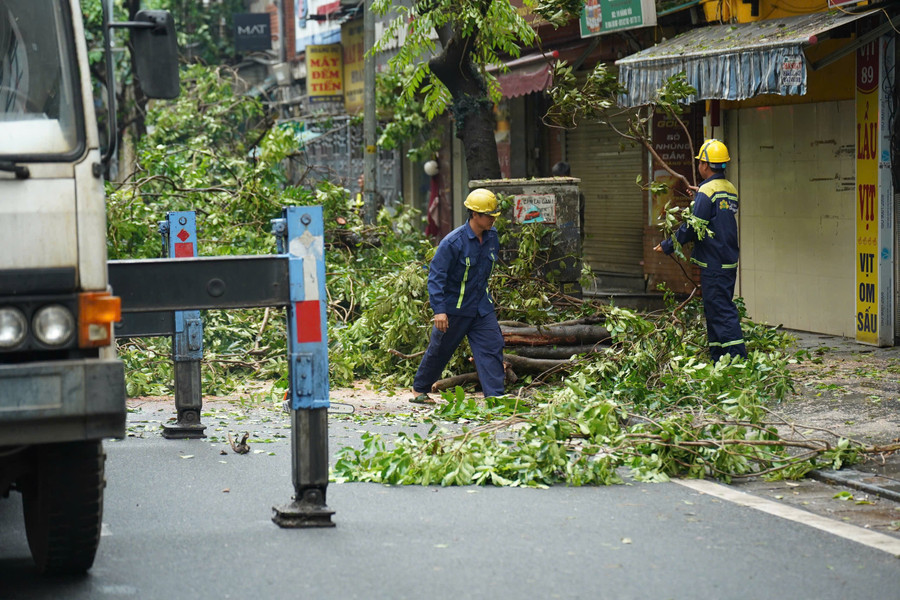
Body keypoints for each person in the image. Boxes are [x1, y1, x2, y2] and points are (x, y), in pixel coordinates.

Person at [654, 139, 747, 361]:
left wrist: (668, 245)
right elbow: (718, 215)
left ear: (705, 164)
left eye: (700, 162)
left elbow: (692, 228)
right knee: (716, 310)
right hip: (727, 259)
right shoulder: (729, 188)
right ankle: (719, 358)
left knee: (721, 311)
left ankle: (737, 358)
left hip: (714, 262)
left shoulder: (708, 191)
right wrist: (701, 195)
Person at [411, 188, 506, 403]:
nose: (492, 220)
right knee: (441, 350)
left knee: (492, 347)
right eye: (489, 216)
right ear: (475, 215)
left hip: (481, 307)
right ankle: (420, 389)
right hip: (454, 308)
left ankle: (496, 398)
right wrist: (440, 311)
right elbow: (436, 277)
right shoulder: (453, 243)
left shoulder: (492, 238)